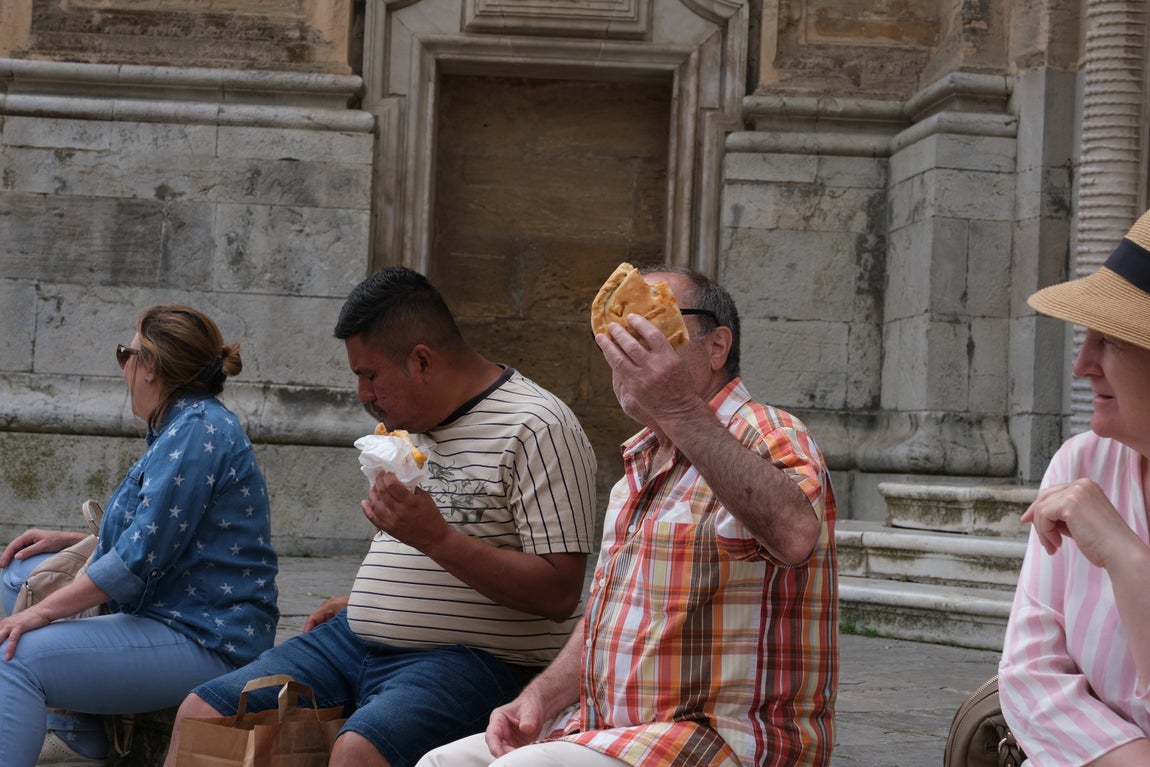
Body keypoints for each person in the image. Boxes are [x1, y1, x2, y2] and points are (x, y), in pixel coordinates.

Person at [162, 266, 598, 767]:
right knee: (202, 713)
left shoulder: (538, 427)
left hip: (473, 661)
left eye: (369, 375)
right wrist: (370, 600)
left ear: (421, 361)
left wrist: (436, 539)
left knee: (359, 751)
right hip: (351, 640)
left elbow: (559, 593)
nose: (363, 394)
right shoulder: (407, 422)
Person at [418, 266, 839, 767]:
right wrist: (539, 699)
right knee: (439, 763)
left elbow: (796, 534)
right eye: (616, 332)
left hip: (724, 738)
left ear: (716, 347)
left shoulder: (770, 433)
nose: (626, 348)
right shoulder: (636, 467)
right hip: (615, 732)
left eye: (649, 326)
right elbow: (608, 621)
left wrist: (679, 408)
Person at [0, 305, 279, 767]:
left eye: (124, 354)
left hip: (208, 638)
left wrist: (40, 615)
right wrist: (74, 541)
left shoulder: (196, 433)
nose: (123, 367)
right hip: (177, 608)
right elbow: (164, 533)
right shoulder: (185, 423)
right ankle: (78, 734)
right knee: (16, 574)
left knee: (14, 657)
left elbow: (136, 562)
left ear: (150, 368)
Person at [999, 209, 1150, 765]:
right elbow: (1030, 676)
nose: (1083, 364)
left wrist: (1129, 563)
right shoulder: (1082, 464)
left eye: (1109, 339)